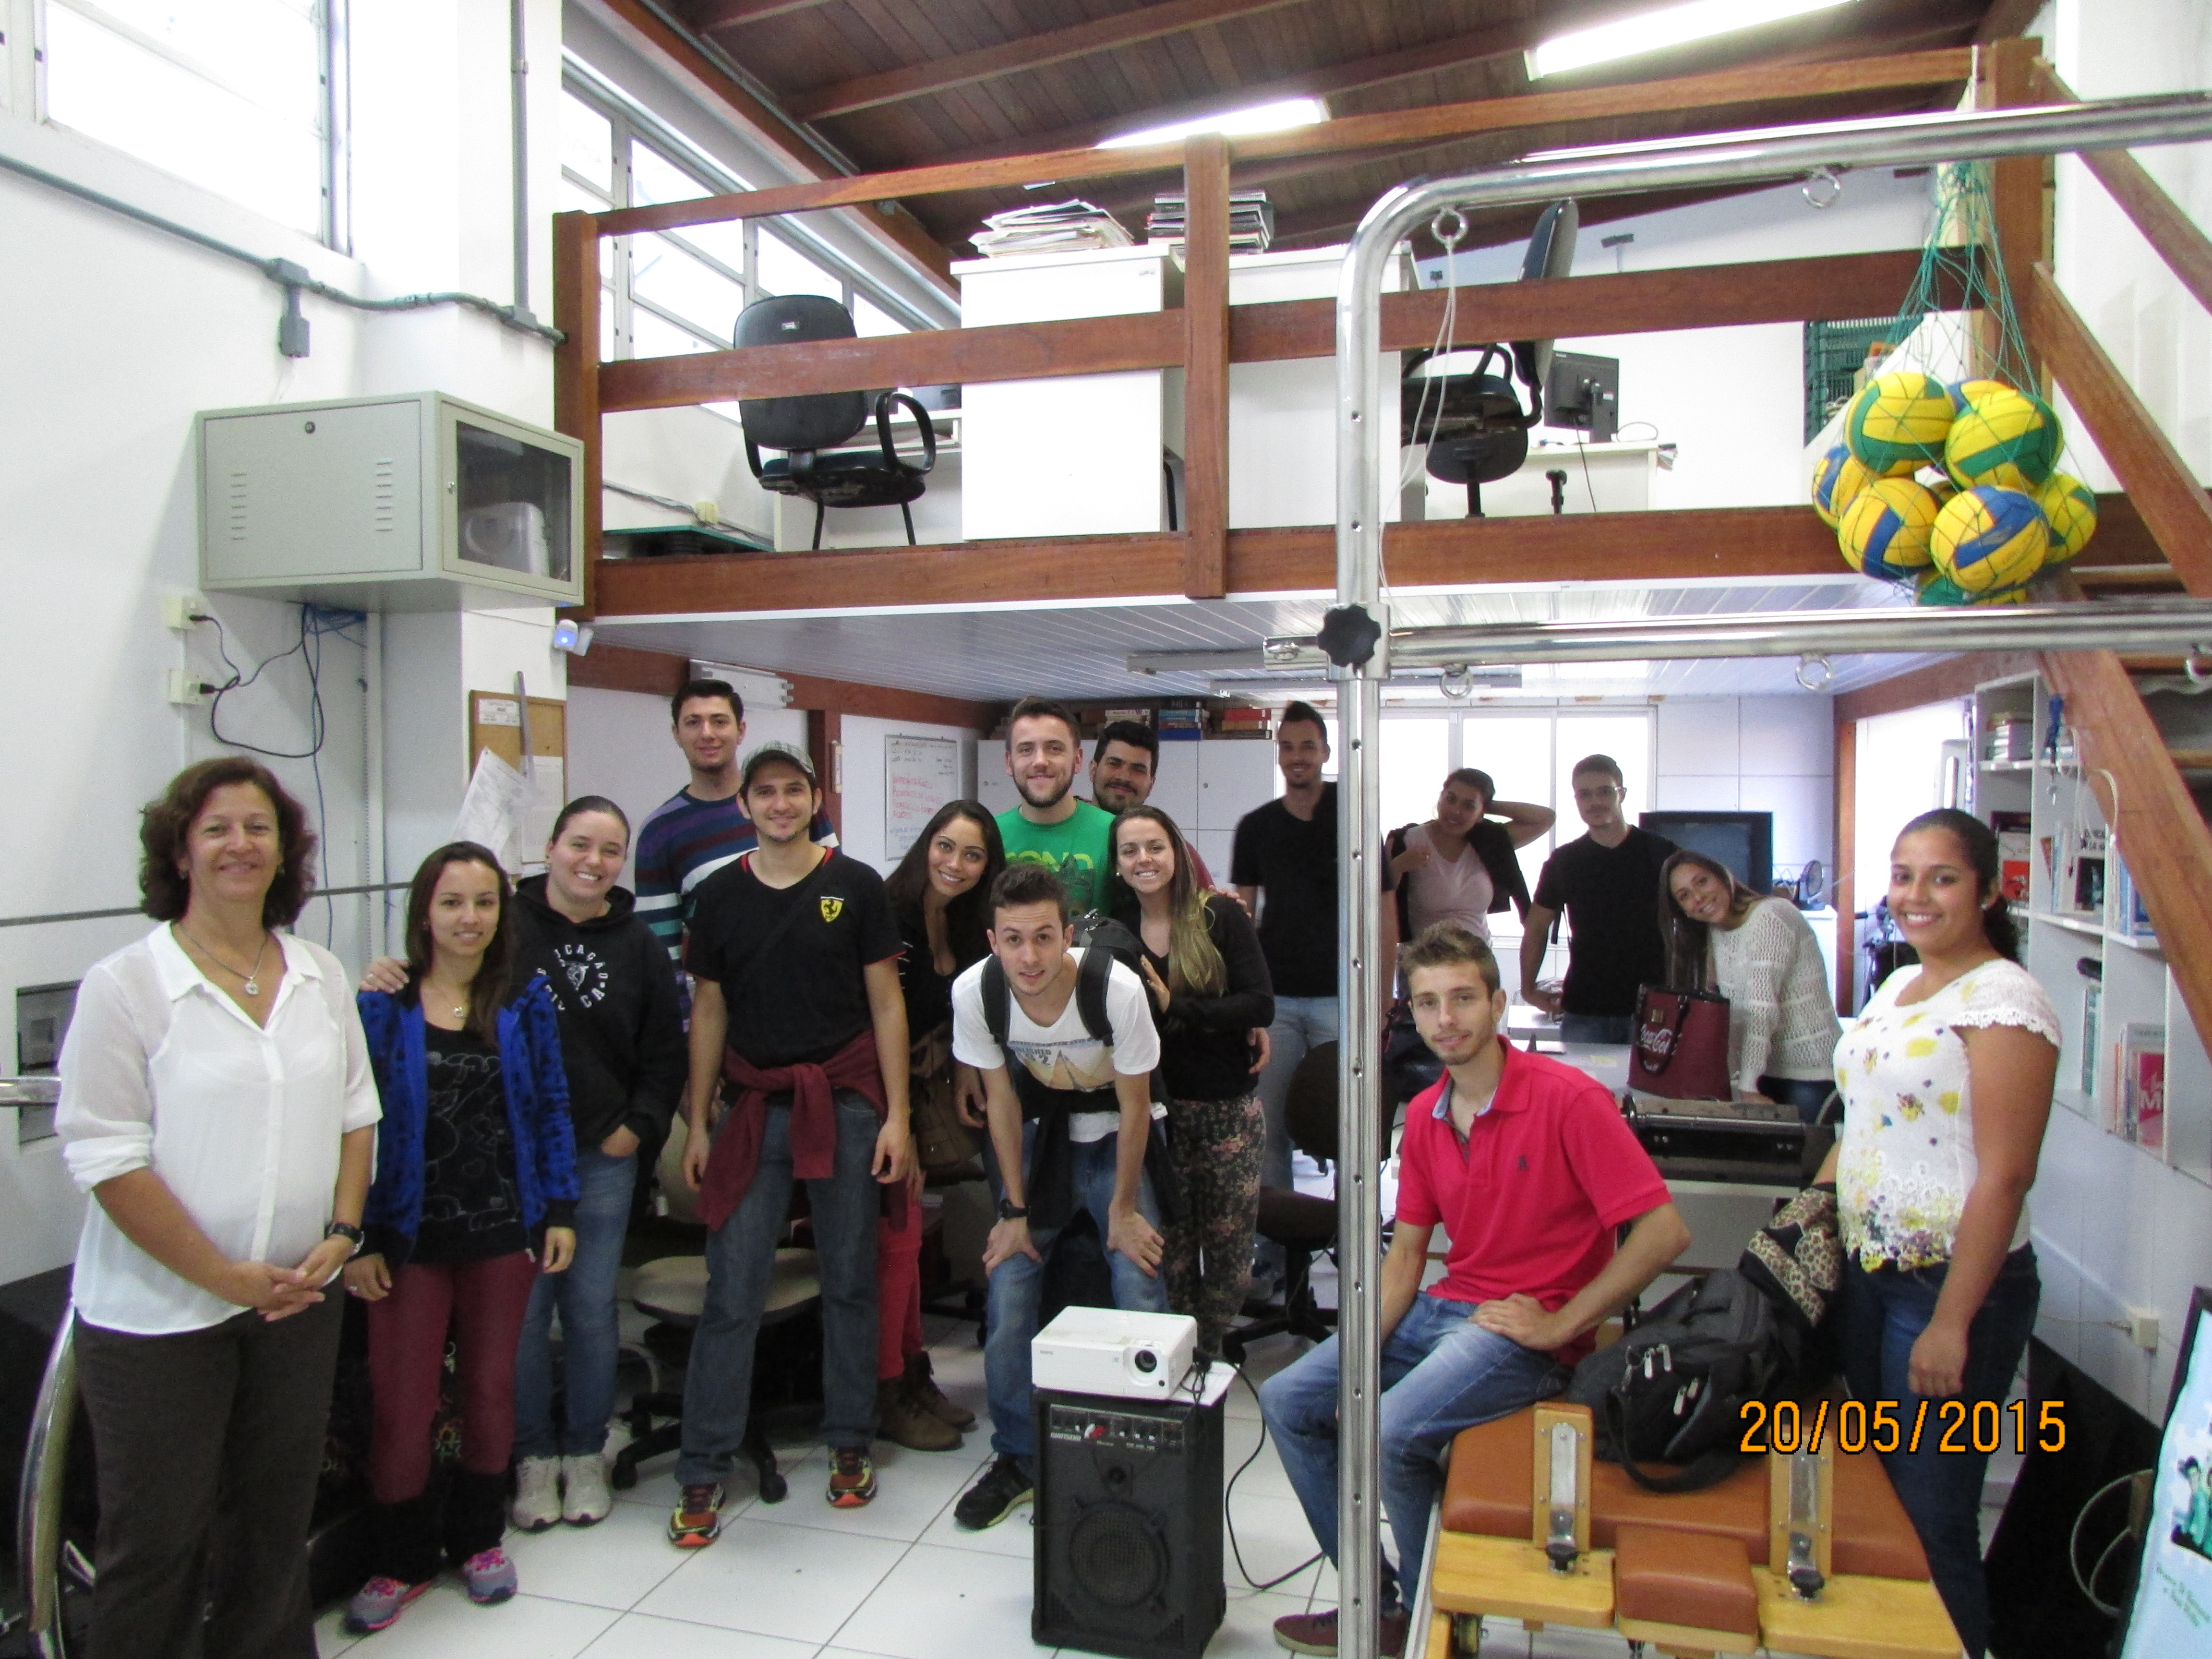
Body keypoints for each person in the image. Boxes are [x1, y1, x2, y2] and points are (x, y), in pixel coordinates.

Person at [1261, 923, 1689, 1658]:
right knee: (1288, 1399)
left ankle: (1440, 1622)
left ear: (1497, 1003)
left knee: (1394, 1431)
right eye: (1427, 1004)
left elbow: (1663, 1234)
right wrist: (1355, 1351)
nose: (1446, 1020)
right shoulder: (1425, 1118)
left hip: (1517, 1333)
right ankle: (1380, 1600)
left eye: (1463, 999)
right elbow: (1406, 1264)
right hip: (1444, 1309)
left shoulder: (1570, 1101)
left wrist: (1562, 1326)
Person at [57, 758, 378, 1659]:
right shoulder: (126, 986)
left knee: (273, 1534)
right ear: (181, 853)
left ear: (285, 852)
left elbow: (359, 1116)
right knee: (156, 1547)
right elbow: (107, 1159)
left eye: (259, 828)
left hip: (297, 1306)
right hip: (164, 1319)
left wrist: (343, 1233)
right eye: (216, 829)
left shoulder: (318, 973)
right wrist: (226, 1277)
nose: (240, 844)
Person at [359, 798, 689, 1528]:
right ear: (551, 847)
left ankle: (586, 1450)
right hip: (510, 1161)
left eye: (610, 851)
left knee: (593, 1311)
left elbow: (665, 1050)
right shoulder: (508, 926)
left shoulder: (636, 944)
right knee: (524, 1318)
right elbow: (438, 982)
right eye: (580, 845)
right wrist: (390, 971)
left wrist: (639, 1127)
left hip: (601, 1154)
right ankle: (532, 1457)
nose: (593, 861)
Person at [1817, 807, 2057, 1659]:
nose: (1914, 895)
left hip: (1949, 1288)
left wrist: (1953, 1322)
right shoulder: (1897, 987)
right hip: (1870, 1274)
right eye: (1902, 875)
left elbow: (2004, 1175)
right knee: (1879, 1505)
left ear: (1989, 891)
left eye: (1942, 877)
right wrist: (1805, 1229)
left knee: (1931, 1520)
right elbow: (1864, 1125)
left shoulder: (2003, 999)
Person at [669, 743, 912, 1545]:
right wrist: (698, 1119)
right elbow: (707, 1012)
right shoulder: (719, 898)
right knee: (731, 1290)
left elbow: (886, 1007)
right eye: (764, 793)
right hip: (752, 1106)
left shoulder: (855, 886)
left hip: (844, 1103)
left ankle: (850, 1441)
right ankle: (702, 1464)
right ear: (744, 805)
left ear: (815, 799)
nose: (779, 804)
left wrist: (897, 1116)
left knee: (849, 1278)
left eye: (793, 791)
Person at [347, 842, 580, 1632]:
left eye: (484, 903)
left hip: (500, 1231)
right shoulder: (382, 1004)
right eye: (452, 903)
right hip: (406, 1237)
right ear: (424, 913)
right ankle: (400, 1556)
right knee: (403, 1404)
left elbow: (552, 1108)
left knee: (489, 1390)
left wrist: (559, 1211)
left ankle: (478, 1539)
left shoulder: (524, 1000)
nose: (469, 918)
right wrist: (359, 1237)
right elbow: (352, 1129)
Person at [949, 864, 1171, 1532]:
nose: (1029, 956)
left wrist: (1125, 1211)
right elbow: (1001, 1104)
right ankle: (1018, 1455)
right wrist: (1013, 1213)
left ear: (1067, 935)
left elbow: (1138, 1107)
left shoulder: (1116, 987)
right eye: (1013, 939)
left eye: (1044, 938)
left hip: (1120, 1142)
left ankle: (1149, 1453)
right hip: (1043, 1146)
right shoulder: (976, 992)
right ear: (993, 939)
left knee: (1140, 1283)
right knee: (1009, 1288)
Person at [1232, 701, 1394, 1295]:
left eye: (1308, 746)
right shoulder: (1257, 827)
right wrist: (1245, 1000)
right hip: (1276, 1004)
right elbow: (1243, 919)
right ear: (1279, 755)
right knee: (1267, 1130)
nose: (1298, 757)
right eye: (1288, 747)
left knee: (1352, 1132)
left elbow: (1383, 912)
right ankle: (1274, 1256)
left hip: (1341, 1001)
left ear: (1327, 753)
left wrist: (1381, 1002)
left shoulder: (1354, 821)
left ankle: (1353, 1248)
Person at [1109, 805, 1273, 1360]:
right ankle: (1181, 1356)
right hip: (1158, 1116)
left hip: (1226, 1108)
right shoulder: (1115, 933)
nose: (1144, 859)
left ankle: (1209, 1347)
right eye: (1130, 851)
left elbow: (1260, 1004)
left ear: (1177, 854)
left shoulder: (1219, 917)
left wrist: (1176, 1004)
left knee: (1228, 1252)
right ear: (1116, 866)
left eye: (1155, 846)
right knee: (1171, 1252)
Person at [878, 798, 1005, 1449]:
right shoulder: (888, 911)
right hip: (876, 1099)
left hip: (922, 1093)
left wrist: (955, 1064)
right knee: (895, 1249)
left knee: (904, 1245)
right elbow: (870, 1017)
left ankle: (915, 1373)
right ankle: (888, 1389)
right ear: (926, 843)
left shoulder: (962, 921)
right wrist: (895, 1112)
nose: (956, 864)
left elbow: (965, 1009)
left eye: (973, 854)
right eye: (946, 847)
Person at [634, 677, 838, 966]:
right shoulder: (660, 831)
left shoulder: (793, 808)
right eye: (693, 723)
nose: (707, 733)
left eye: (719, 721)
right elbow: (660, 949)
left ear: (741, 730)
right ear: (676, 734)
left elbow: (838, 891)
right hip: (725, 995)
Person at [1660, 847, 1843, 1120]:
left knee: (1803, 1159)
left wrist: (1746, 1087)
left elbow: (1761, 1010)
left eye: (1702, 881)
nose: (1698, 897)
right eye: (1685, 896)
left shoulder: (1771, 916)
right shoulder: (1716, 930)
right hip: (1764, 1072)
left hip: (1810, 1072)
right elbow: (1729, 1016)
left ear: (1724, 876)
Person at [1519, 753, 1675, 1044]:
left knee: (1649, 1091)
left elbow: (1699, 914)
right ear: (1576, 801)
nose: (1595, 802)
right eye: (1585, 795)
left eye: (1605, 791)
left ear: (1622, 794)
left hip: (1655, 1009)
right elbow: (1537, 926)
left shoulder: (1661, 854)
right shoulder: (1565, 862)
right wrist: (1528, 988)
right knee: (1585, 1090)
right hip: (1586, 1010)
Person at [1386, 767, 1552, 943]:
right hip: (1424, 963)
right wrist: (1399, 866)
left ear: (1482, 813)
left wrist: (1486, 804)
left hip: (1478, 962)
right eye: (1450, 799)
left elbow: (1545, 818)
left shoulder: (1490, 843)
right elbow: (1378, 900)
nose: (1455, 811)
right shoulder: (1405, 841)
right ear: (1440, 797)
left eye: (1468, 806)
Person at [997, 695, 1118, 914]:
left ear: (1078, 760)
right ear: (1009, 762)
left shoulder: (1115, 833)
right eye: (1026, 749)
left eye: (1054, 749)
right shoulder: (989, 835)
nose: (1040, 761)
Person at [1088, 718, 1216, 888]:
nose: (1124, 777)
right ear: (1093, 770)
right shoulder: (1065, 830)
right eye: (1114, 764)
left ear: (1151, 784)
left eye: (1138, 770)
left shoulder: (1176, 853)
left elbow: (1207, 907)